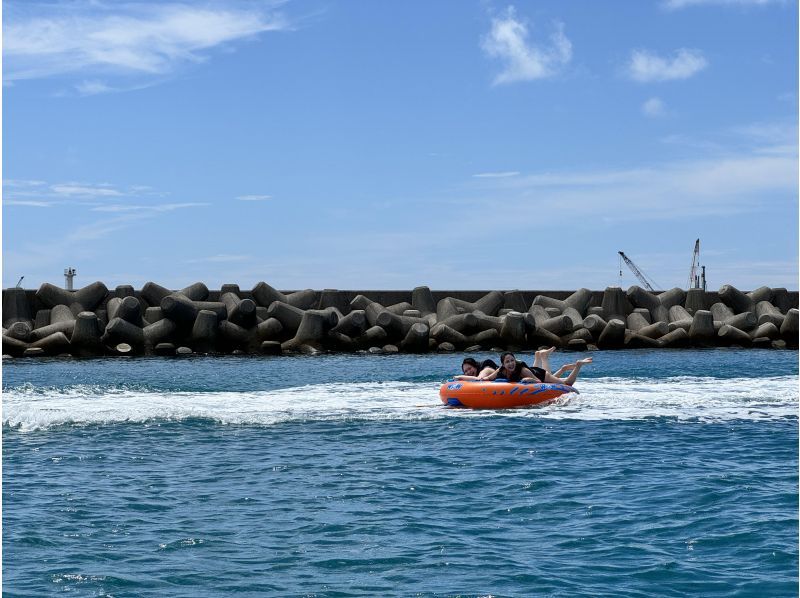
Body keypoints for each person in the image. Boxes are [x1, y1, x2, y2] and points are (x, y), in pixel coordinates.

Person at [481, 349, 592, 386]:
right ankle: (562, 368)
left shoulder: (523, 370)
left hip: (540, 375)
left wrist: (530, 380)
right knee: (554, 379)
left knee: (567, 383)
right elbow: (486, 379)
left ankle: (578, 365)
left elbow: (538, 381)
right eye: (507, 362)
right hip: (532, 371)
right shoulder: (500, 370)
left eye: (512, 360)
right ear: (503, 365)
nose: (510, 363)